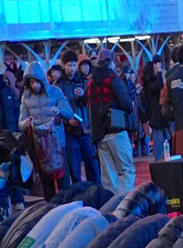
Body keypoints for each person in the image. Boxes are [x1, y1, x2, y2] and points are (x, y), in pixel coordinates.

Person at [19, 61, 72, 200]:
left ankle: (67, 205)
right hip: (40, 145)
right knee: (46, 182)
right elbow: (20, 123)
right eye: (30, 82)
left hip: (58, 143)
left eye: (36, 81)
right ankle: (51, 207)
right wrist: (26, 123)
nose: (34, 85)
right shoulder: (26, 97)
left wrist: (59, 110)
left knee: (63, 181)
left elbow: (69, 112)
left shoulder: (55, 91)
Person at [86, 48, 135, 193]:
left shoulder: (90, 83)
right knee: (126, 170)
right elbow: (126, 104)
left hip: (100, 134)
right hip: (116, 129)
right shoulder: (113, 79)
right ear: (111, 62)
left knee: (108, 176)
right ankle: (124, 206)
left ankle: (111, 207)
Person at [58, 50, 99, 184]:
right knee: (74, 171)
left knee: (93, 167)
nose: (72, 68)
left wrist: (83, 96)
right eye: (69, 65)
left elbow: (92, 103)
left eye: (74, 65)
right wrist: (67, 120)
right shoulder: (59, 85)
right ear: (64, 65)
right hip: (69, 132)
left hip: (85, 130)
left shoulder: (83, 81)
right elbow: (56, 108)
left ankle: (96, 195)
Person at [140, 56, 171, 161]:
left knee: (161, 139)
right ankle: (159, 160)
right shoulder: (150, 85)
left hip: (156, 116)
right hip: (158, 115)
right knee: (161, 140)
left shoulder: (147, 85)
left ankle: (160, 159)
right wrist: (158, 73)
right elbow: (159, 86)